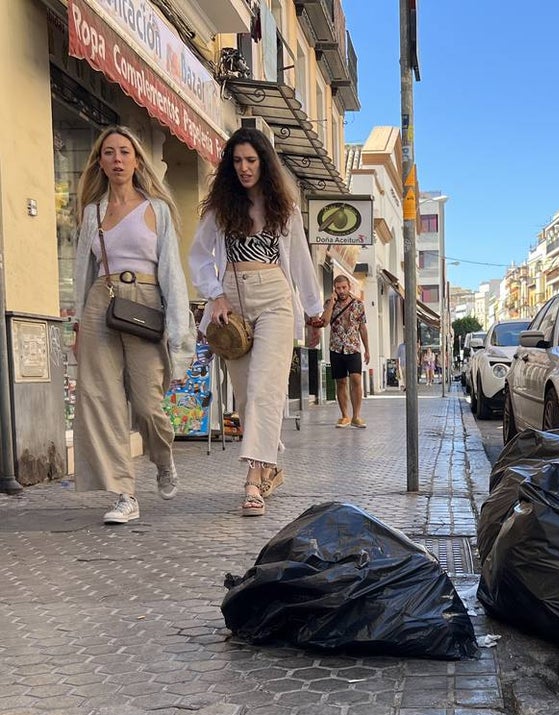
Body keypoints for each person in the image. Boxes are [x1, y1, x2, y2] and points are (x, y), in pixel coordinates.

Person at [189, 126, 324, 517]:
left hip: (275, 298)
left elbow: (299, 262)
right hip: (233, 301)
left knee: (266, 390)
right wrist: (214, 294)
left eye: (251, 160)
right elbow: (199, 256)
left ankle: (252, 482)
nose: (245, 168)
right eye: (237, 161)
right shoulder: (220, 208)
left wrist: (314, 314)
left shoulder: (285, 208)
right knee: (247, 395)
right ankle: (269, 467)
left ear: (265, 162)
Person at [71, 125, 193, 525]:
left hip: (143, 304)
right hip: (100, 304)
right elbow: (82, 270)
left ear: (137, 160)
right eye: (109, 153)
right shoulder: (92, 212)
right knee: (100, 400)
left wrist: (179, 336)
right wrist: (77, 324)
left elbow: (172, 274)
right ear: (100, 163)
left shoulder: (156, 208)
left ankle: (163, 458)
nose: (117, 159)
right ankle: (125, 494)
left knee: (146, 404)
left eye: (125, 152)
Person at [320, 274, 369, 428]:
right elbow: (324, 322)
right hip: (336, 348)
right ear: (335, 288)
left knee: (356, 379)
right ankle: (344, 416)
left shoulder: (358, 304)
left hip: (353, 347)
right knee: (341, 382)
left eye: (344, 287)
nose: (341, 291)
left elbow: (362, 327)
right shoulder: (329, 304)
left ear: (349, 287)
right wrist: (332, 303)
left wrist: (367, 349)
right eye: (338, 288)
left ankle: (356, 416)